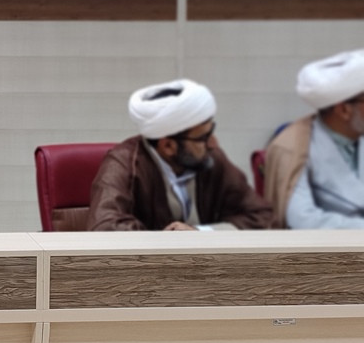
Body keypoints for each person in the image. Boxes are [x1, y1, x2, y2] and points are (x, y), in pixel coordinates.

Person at [87, 78, 272, 231]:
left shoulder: (212, 159)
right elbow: (104, 227)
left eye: (211, 132)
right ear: (168, 146)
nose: (213, 143)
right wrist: (167, 240)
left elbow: (263, 216)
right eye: (203, 137)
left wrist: (201, 232)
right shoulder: (124, 164)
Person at [265, 49, 364, 229]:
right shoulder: (293, 147)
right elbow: (302, 219)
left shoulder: (359, 134)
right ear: (343, 110)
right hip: (331, 245)